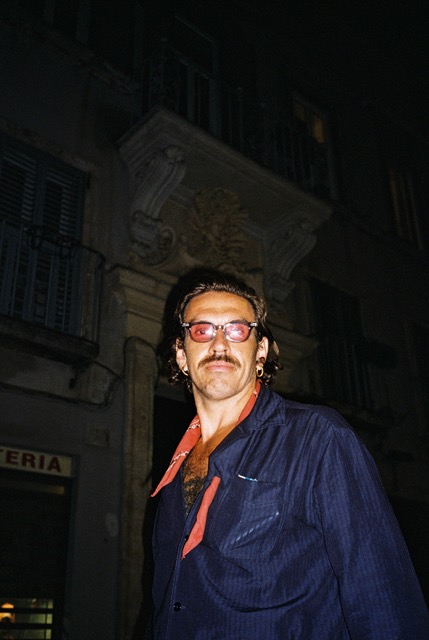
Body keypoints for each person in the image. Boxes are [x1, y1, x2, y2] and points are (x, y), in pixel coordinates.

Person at [149, 272, 429, 639]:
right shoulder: (176, 467)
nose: (219, 343)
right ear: (181, 354)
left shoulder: (318, 437)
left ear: (261, 351)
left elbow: (383, 599)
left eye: (237, 330)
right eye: (201, 330)